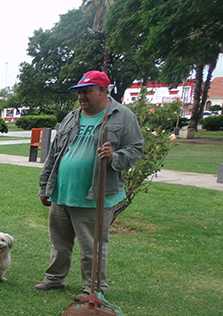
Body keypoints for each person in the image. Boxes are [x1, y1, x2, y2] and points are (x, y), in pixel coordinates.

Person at [34, 71, 144, 301]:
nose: (82, 96)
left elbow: (136, 149)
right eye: (79, 92)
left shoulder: (122, 116)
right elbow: (55, 153)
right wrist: (45, 186)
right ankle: (54, 279)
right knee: (60, 243)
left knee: (92, 246)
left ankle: (93, 289)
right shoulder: (72, 117)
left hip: (94, 194)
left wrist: (116, 155)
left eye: (87, 91)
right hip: (63, 191)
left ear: (103, 90)